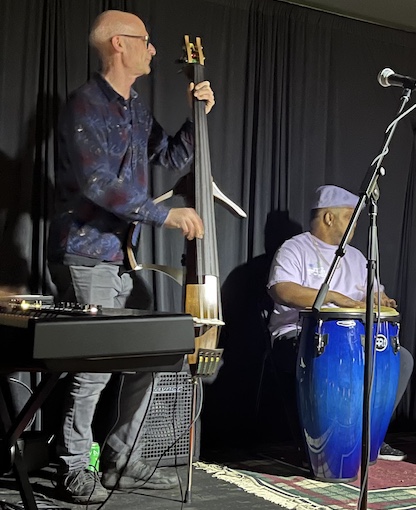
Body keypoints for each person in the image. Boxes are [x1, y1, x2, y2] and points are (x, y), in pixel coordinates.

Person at [47, 9, 215, 504]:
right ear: (119, 44)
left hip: (121, 258)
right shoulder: (85, 105)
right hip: (85, 253)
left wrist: (197, 116)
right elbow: (97, 183)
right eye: (146, 40)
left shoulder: (135, 109)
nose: (153, 49)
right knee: (94, 366)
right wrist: (166, 216)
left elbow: (169, 157)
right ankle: (73, 467)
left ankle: (121, 460)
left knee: (153, 352)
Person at [267, 184, 414, 462]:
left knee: (402, 359)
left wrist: (380, 299)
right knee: (340, 359)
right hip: (300, 336)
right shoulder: (295, 248)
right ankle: (328, 440)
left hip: (355, 338)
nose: (355, 225)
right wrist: (335, 297)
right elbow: (281, 290)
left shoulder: (356, 257)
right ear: (328, 217)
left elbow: (373, 294)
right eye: (349, 218)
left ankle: (370, 436)